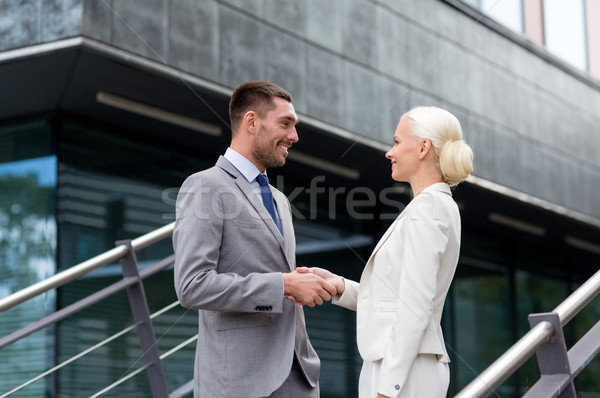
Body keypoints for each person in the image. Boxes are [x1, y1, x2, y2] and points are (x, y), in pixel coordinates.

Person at [173, 80, 337, 398]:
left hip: (298, 377)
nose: (294, 136)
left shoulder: (279, 200)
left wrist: (299, 282)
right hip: (239, 382)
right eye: (285, 124)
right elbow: (192, 286)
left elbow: (272, 271)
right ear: (251, 122)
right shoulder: (206, 186)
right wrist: (283, 285)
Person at [300, 106, 473, 397]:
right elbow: (394, 298)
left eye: (396, 142)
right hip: (402, 364)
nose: (388, 153)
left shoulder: (429, 206)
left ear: (422, 148)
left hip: (405, 371)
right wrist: (339, 286)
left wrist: (388, 388)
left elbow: (415, 303)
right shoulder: (431, 205)